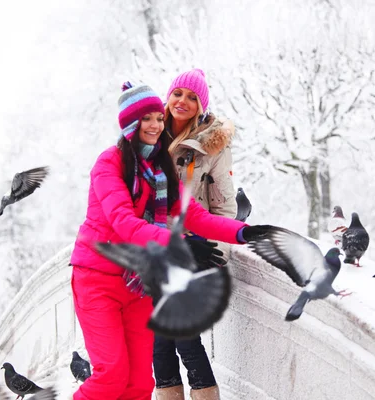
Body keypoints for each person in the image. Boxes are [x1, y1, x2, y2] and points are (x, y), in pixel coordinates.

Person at [69, 82, 259, 400]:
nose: (157, 125)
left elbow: (194, 216)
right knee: (111, 377)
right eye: (147, 119)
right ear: (130, 124)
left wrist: (243, 232)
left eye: (159, 118)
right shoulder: (109, 164)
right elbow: (124, 223)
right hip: (98, 279)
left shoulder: (159, 168)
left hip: (139, 284)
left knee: (141, 383)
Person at [153, 69, 237, 400]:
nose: (182, 102)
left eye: (192, 97)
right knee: (159, 340)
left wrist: (214, 252)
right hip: (153, 247)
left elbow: (225, 207)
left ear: (201, 106)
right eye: (178, 94)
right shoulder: (148, 135)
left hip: (193, 251)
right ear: (167, 96)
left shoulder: (212, 146)